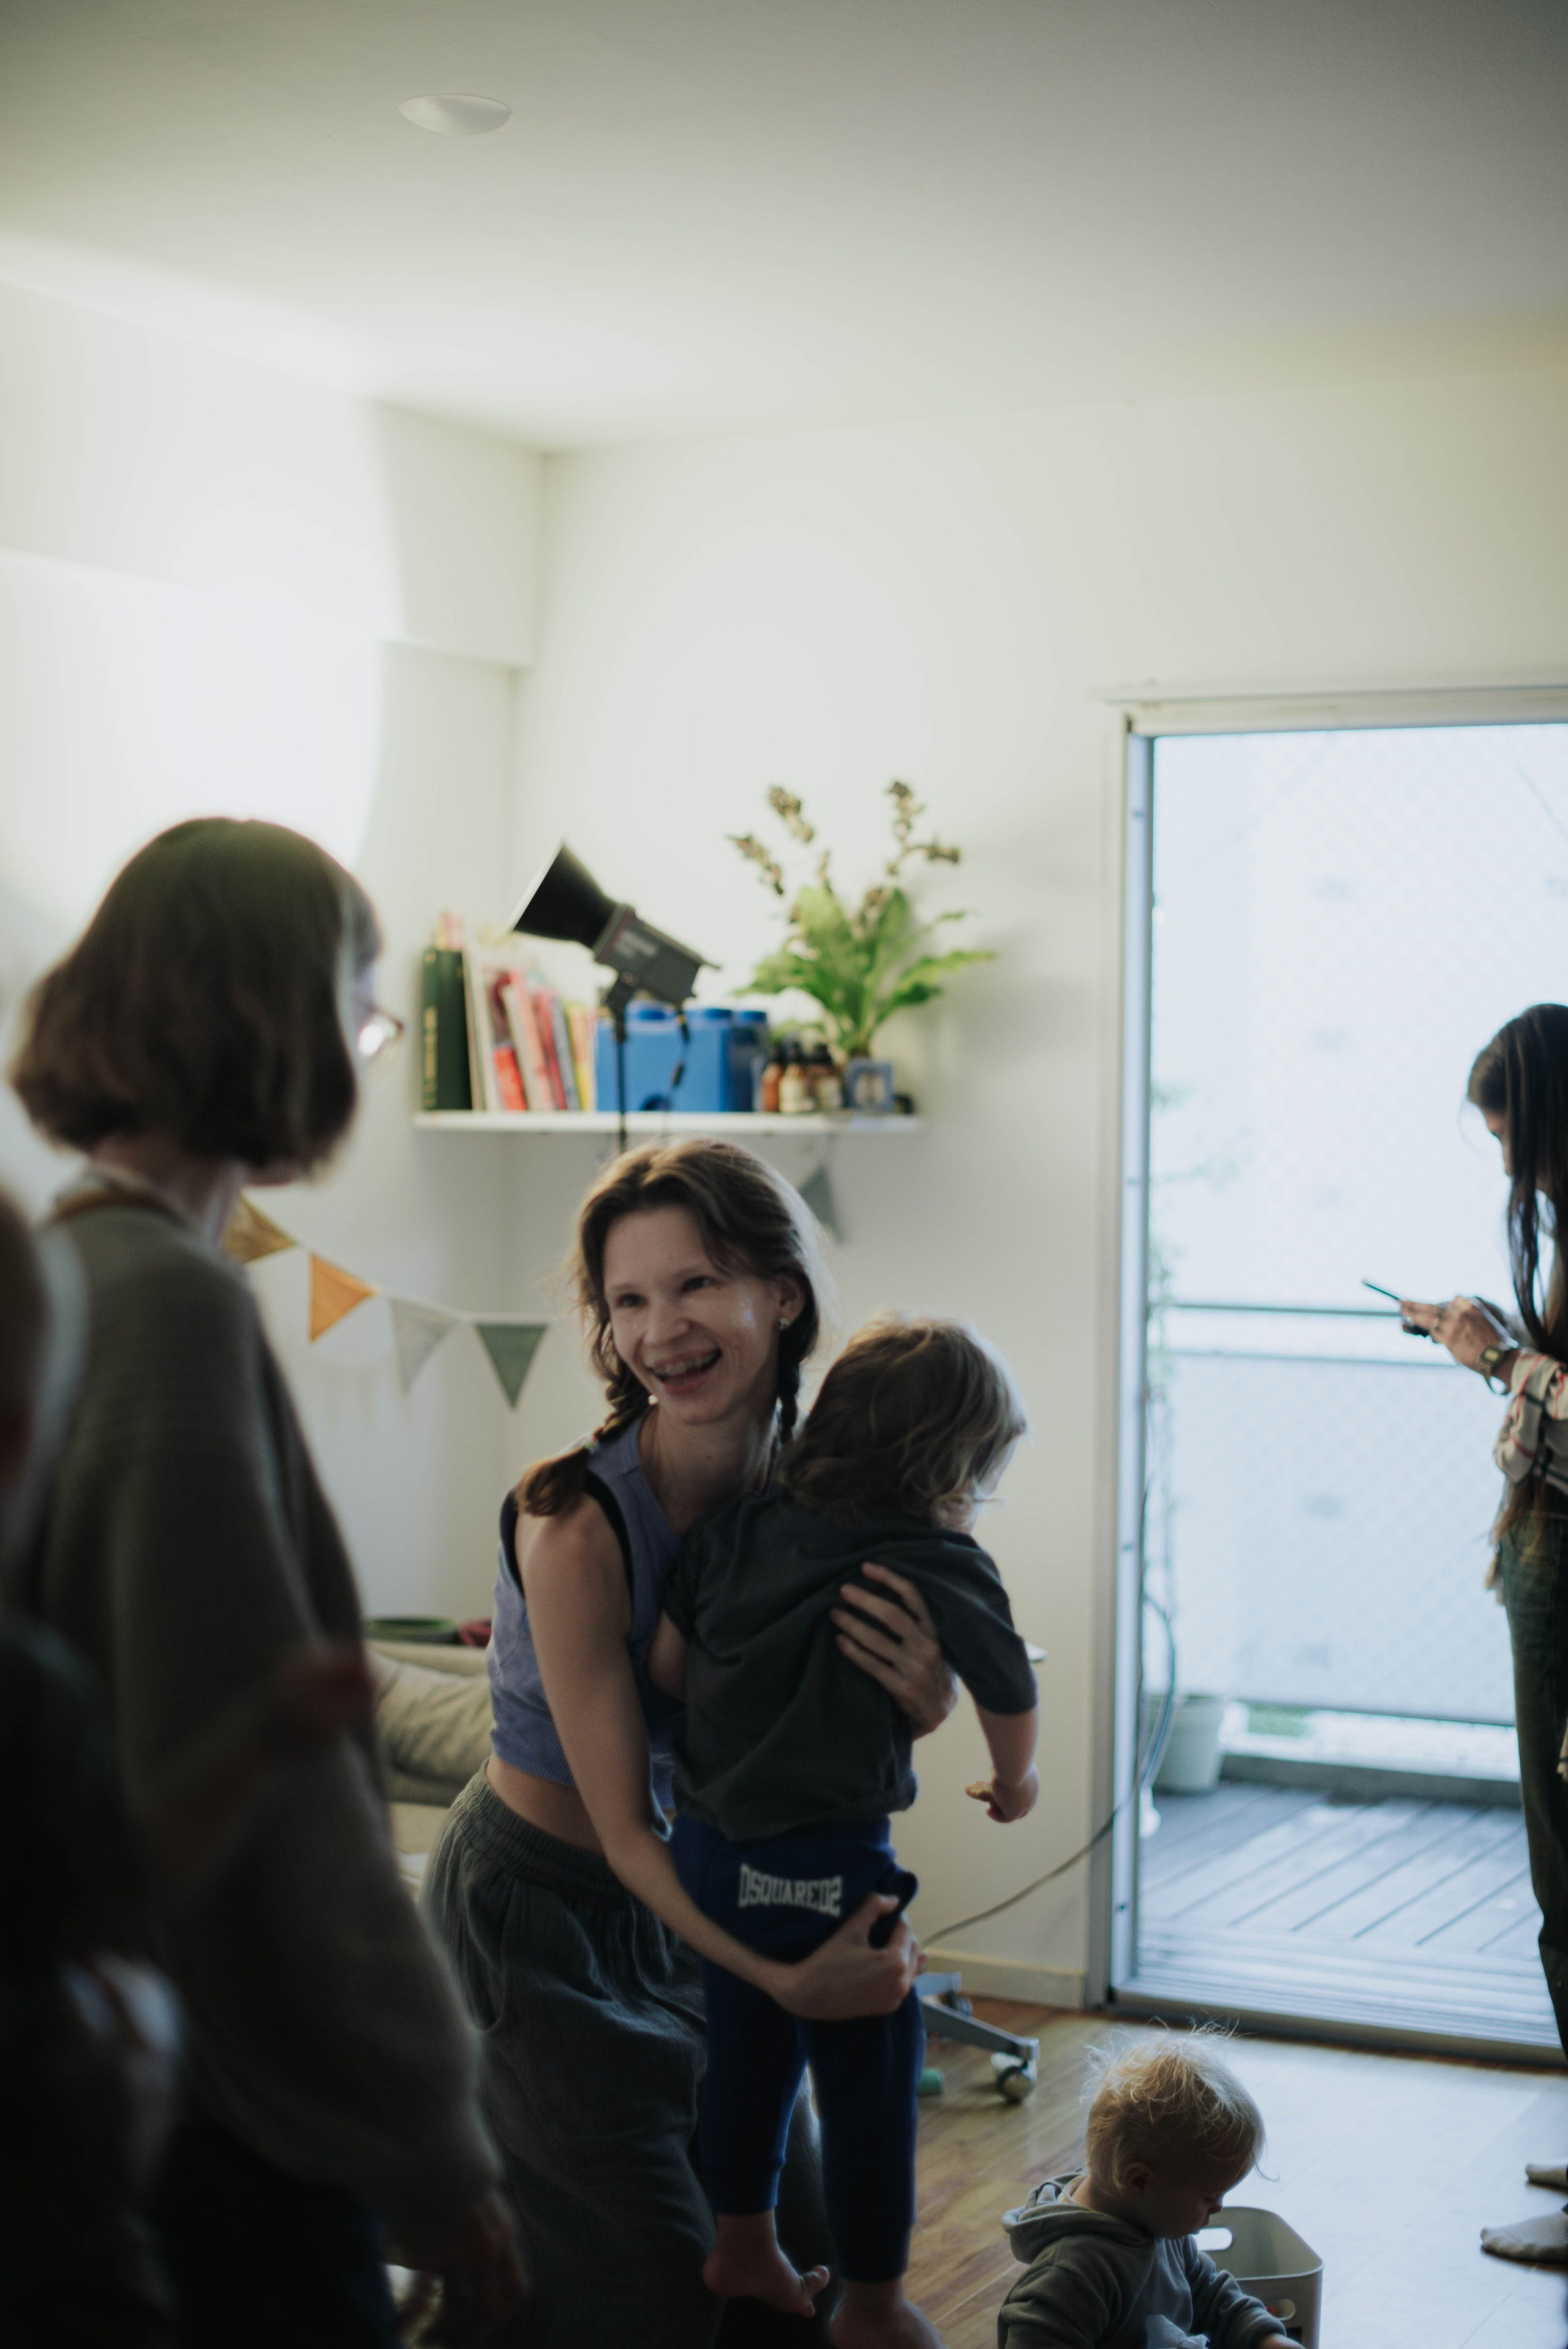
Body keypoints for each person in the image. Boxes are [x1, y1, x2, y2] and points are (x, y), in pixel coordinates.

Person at [7, 820, 526, 2348]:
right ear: (284, 1016)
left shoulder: (68, 1266)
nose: (362, 1053)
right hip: (230, 2113)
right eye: (363, 1012)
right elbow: (264, 1789)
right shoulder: (167, 1305)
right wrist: (427, 2145)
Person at [424, 1139, 959, 2349]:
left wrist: (915, 1702)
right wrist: (787, 1981)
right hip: (542, 1909)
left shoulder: (828, 1493)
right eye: (628, 1300)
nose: (661, 1328)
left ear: (782, 1290)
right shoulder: (574, 1524)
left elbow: (849, 1725)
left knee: (811, 2261)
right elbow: (621, 1829)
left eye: (696, 1283)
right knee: (663, 2300)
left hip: (707, 1881)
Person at [648, 1315, 1041, 2348]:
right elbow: (1007, 1683)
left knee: (744, 2056)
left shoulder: (737, 1528)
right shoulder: (935, 1556)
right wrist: (1018, 1777)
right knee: (868, 2077)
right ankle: (871, 2305)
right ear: (953, 1465)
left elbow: (667, 1672)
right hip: (828, 1860)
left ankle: (741, 2237)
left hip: (707, 1857)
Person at [1399, 1002, 1568, 2267]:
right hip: (1545, 1554)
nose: (1509, 1156)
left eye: (1513, 1127)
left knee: (1567, 1878)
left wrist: (1494, 1358)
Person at [996, 2034, 1292, 2349]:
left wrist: (1265, 2338)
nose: (1218, 2207)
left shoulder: (1158, 2221)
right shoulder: (1071, 2275)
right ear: (1139, 2181)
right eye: (1208, 2197)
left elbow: (1206, 2292)